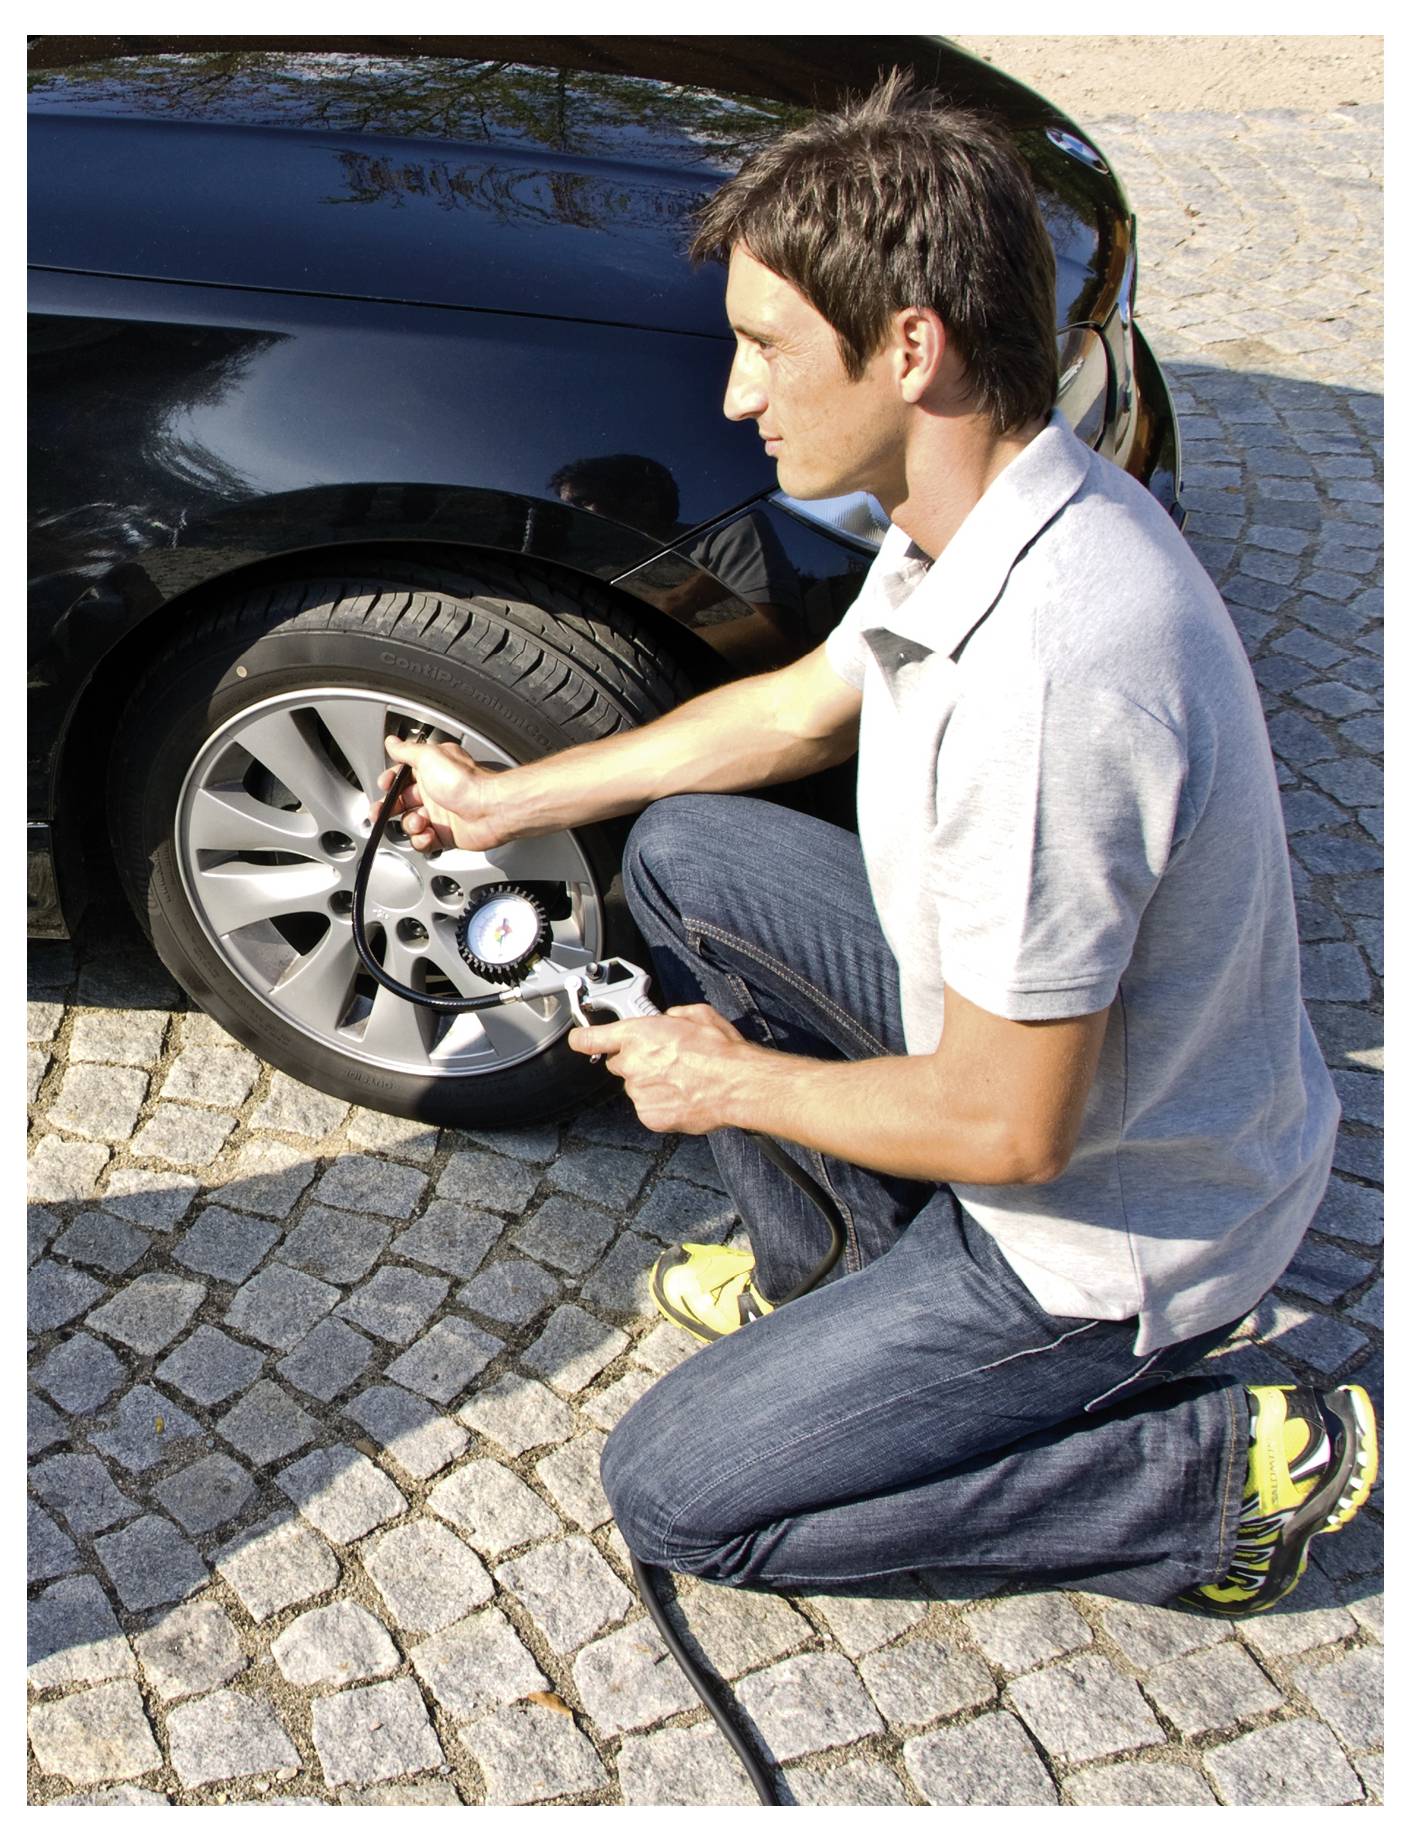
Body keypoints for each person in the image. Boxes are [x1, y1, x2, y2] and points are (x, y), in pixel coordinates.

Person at [378, 74, 1376, 1616]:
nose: (734, 393)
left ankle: (1198, 1475)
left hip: (1104, 1233)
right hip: (1060, 1090)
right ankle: (836, 1289)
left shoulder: (1048, 686)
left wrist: (727, 1083)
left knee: (680, 1494)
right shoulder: (981, 508)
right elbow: (795, 709)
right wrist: (511, 798)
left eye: (767, 345)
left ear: (911, 345)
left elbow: (1012, 1133)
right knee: (695, 852)